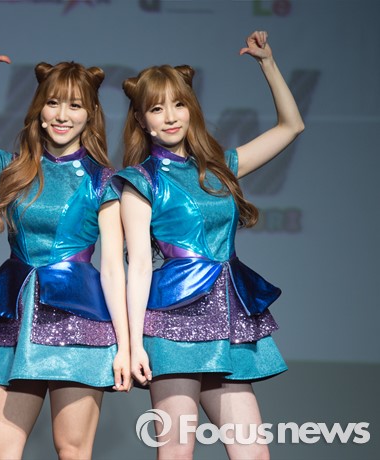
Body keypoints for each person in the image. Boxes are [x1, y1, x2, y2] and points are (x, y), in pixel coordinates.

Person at [0, 37, 131, 460]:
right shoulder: (14, 169)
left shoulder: (104, 181)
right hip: (15, 314)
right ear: (39, 109)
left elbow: (114, 268)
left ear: (90, 114)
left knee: (72, 451)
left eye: (75, 105)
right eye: (53, 103)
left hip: (79, 319)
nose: (62, 115)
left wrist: (126, 348)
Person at [113, 31, 304, 459]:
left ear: (191, 109)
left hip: (228, 315)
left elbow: (291, 126)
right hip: (172, 320)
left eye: (178, 104)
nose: (170, 117)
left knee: (253, 453)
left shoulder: (220, 168)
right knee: (177, 451)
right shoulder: (140, 181)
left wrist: (267, 63)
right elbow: (138, 266)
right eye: (156, 108)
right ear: (141, 119)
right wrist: (134, 344)